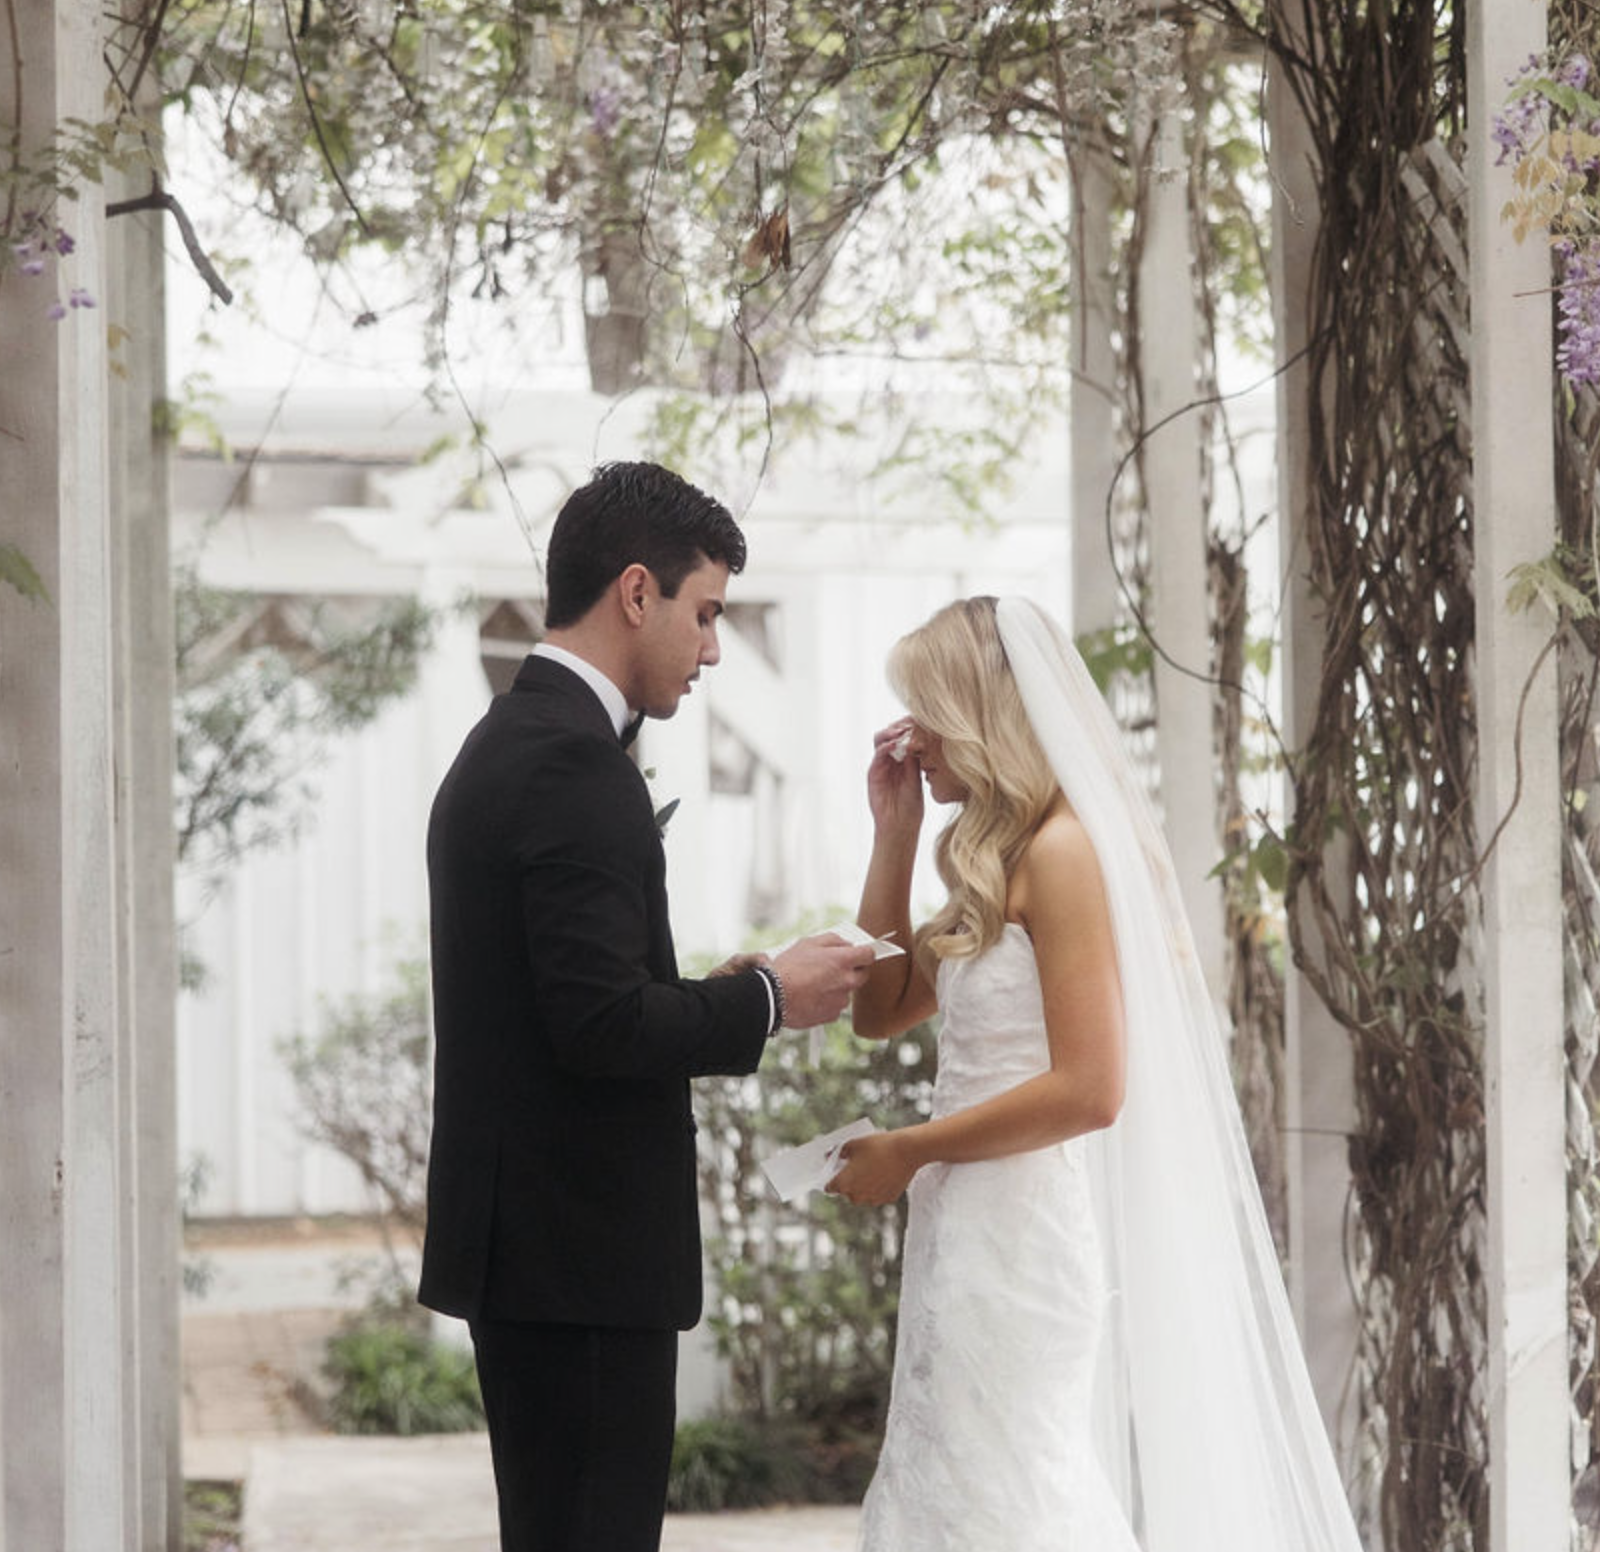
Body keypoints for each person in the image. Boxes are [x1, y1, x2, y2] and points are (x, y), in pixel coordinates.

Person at [828, 596, 1364, 1552]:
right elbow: (878, 1009)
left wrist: (910, 1148)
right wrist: (895, 833)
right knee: (946, 1487)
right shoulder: (995, 851)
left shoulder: (1065, 852)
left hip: (1020, 1243)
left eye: (925, 712)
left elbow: (1092, 1088)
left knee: (1008, 1496)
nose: (912, 740)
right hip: (961, 1232)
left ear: (975, 710)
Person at [418, 460, 875, 1552]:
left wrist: (704, 995)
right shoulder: (573, 767)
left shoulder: (513, 742)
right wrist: (772, 998)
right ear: (637, 592)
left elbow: (566, 1000)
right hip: (577, 1260)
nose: (713, 648)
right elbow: (601, 1028)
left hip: (536, 1253)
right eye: (705, 613)